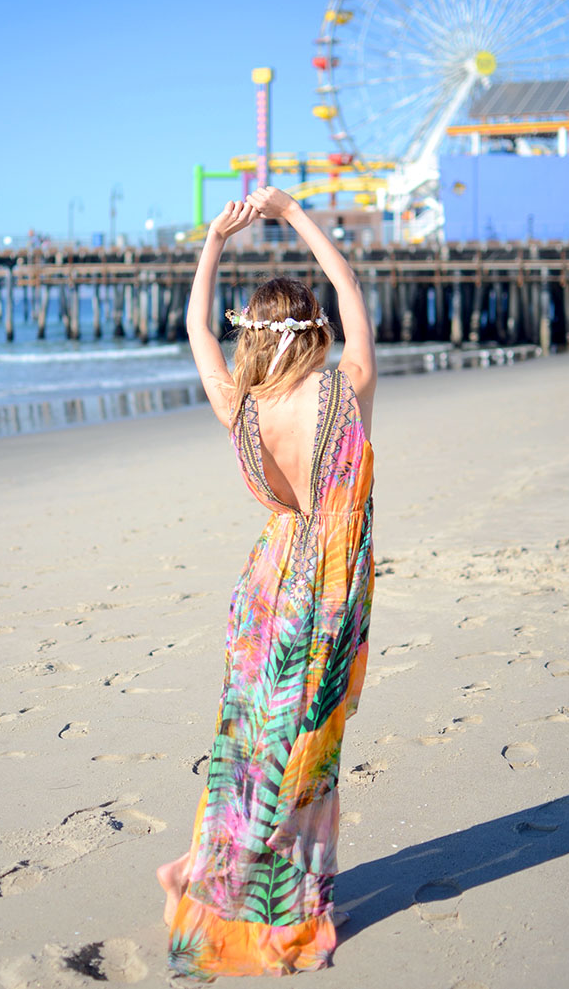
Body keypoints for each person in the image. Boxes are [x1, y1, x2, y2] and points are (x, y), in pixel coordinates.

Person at [157, 186, 377, 979]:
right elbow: (350, 286)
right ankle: (288, 910)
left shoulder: (238, 409)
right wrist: (292, 215)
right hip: (325, 590)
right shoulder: (345, 391)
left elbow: (190, 325)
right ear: (310, 328)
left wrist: (214, 240)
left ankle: (217, 878)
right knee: (306, 751)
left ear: (252, 334)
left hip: (263, 590)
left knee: (250, 747)